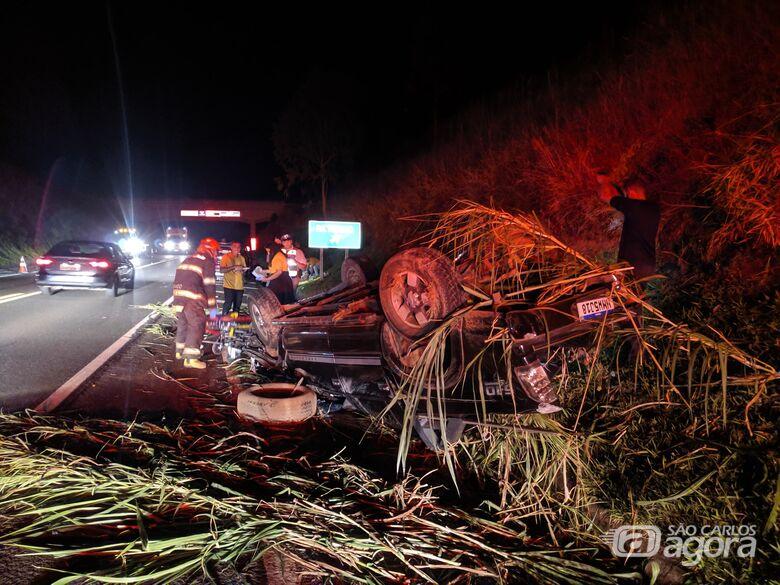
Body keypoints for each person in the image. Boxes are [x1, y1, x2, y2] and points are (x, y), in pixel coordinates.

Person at [597, 171, 660, 279]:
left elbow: (606, 196)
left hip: (632, 266)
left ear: (630, 192)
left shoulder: (635, 207)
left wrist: (604, 181)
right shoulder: (653, 209)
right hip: (646, 265)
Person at [173, 237, 219, 369]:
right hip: (192, 300)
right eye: (216, 251)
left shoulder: (188, 259)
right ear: (212, 250)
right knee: (197, 326)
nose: (216, 255)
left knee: (183, 324)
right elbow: (210, 286)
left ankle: (179, 353)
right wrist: (213, 310)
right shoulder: (207, 261)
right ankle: (191, 359)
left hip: (178, 298)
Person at [220, 241, 247, 315]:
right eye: (235, 246)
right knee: (228, 305)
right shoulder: (226, 257)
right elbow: (221, 270)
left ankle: (234, 321)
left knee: (237, 307)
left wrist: (243, 270)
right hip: (229, 286)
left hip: (239, 286)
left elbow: (244, 270)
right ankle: (224, 321)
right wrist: (234, 267)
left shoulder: (242, 258)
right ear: (231, 247)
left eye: (239, 247)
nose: (237, 248)